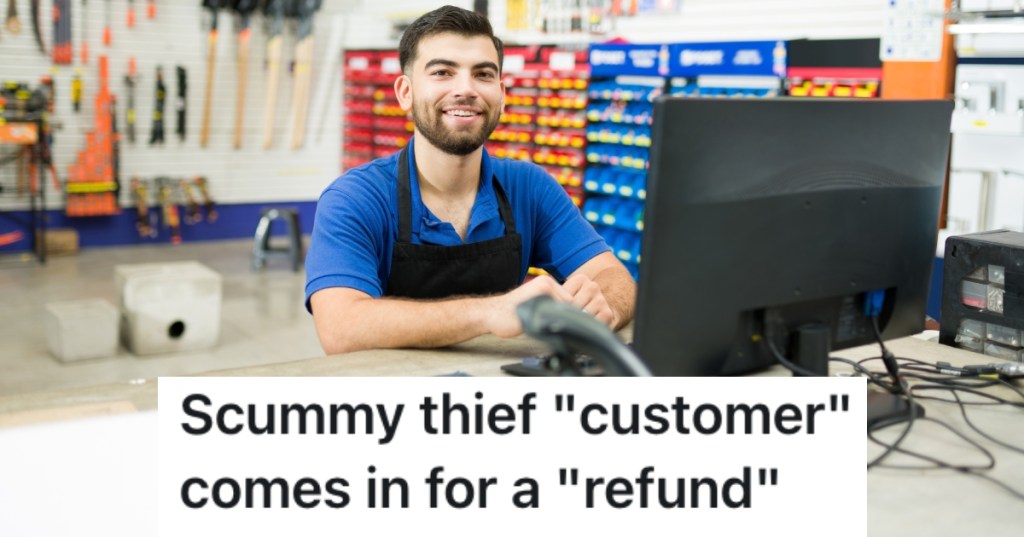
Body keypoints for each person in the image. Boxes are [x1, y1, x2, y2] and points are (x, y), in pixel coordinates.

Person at [305, 5, 635, 354]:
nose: (466, 89)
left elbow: (617, 278)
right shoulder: (356, 198)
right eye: (443, 72)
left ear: (502, 95)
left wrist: (606, 305)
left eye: (483, 74)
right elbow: (340, 329)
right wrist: (489, 313)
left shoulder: (530, 188)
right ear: (405, 92)